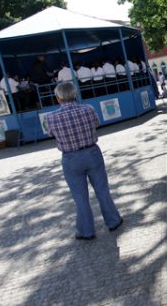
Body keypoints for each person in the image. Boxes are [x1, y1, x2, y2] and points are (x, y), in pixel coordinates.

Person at [46, 82, 123, 240]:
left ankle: (86, 231)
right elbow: (96, 125)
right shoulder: (88, 109)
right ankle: (113, 221)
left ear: (58, 98)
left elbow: (51, 134)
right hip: (92, 152)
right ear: (75, 94)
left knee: (80, 197)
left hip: (70, 158)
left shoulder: (51, 117)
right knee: (102, 190)